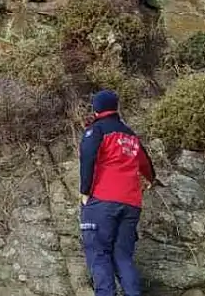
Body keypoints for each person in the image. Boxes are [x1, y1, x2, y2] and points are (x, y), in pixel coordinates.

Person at [78, 88, 157, 296]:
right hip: (131, 204)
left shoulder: (97, 130)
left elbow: (88, 158)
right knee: (123, 257)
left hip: (103, 200)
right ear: (115, 107)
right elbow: (146, 164)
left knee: (99, 253)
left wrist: (85, 192)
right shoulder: (130, 135)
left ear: (96, 108)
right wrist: (150, 181)